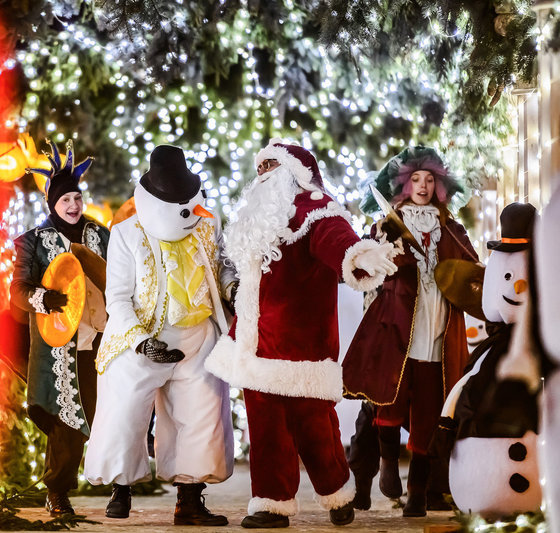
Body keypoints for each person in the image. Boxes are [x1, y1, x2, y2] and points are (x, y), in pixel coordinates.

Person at [205, 139, 398, 528]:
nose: (262, 175)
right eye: (260, 168)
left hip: (301, 348)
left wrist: (361, 256)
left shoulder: (317, 211)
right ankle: (271, 504)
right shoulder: (257, 220)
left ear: (294, 173)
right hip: (255, 344)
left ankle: (337, 491)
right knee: (265, 429)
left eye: (271, 167)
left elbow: (339, 243)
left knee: (313, 426)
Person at [84, 145, 237, 526]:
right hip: (142, 336)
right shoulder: (125, 233)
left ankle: (189, 499)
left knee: (201, 414)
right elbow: (117, 297)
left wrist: (234, 289)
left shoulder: (207, 224)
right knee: (124, 412)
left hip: (198, 336)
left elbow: (222, 269)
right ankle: (121, 489)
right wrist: (140, 340)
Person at [342, 145, 478, 517]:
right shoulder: (388, 224)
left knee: (430, 415)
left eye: (430, 179)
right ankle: (385, 464)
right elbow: (369, 270)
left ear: (440, 185)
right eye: (416, 178)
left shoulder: (451, 226)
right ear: (404, 184)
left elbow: (471, 272)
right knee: (386, 402)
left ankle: (418, 492)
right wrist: (386, 246)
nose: (423, 185)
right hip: (395, 328)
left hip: (437, 332)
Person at [9, 140, 109, 517]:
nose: (72, 206)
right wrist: (42, 298)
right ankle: (58, 490)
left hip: (100, 340)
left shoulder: (100, 236)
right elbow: (17, 289)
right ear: (53, 203)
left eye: (77, 198)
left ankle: (119, 488)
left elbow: (122, 277)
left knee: (106, 414)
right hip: (58, 345)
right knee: (68, 418)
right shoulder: (33, 242)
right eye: (65, 199)